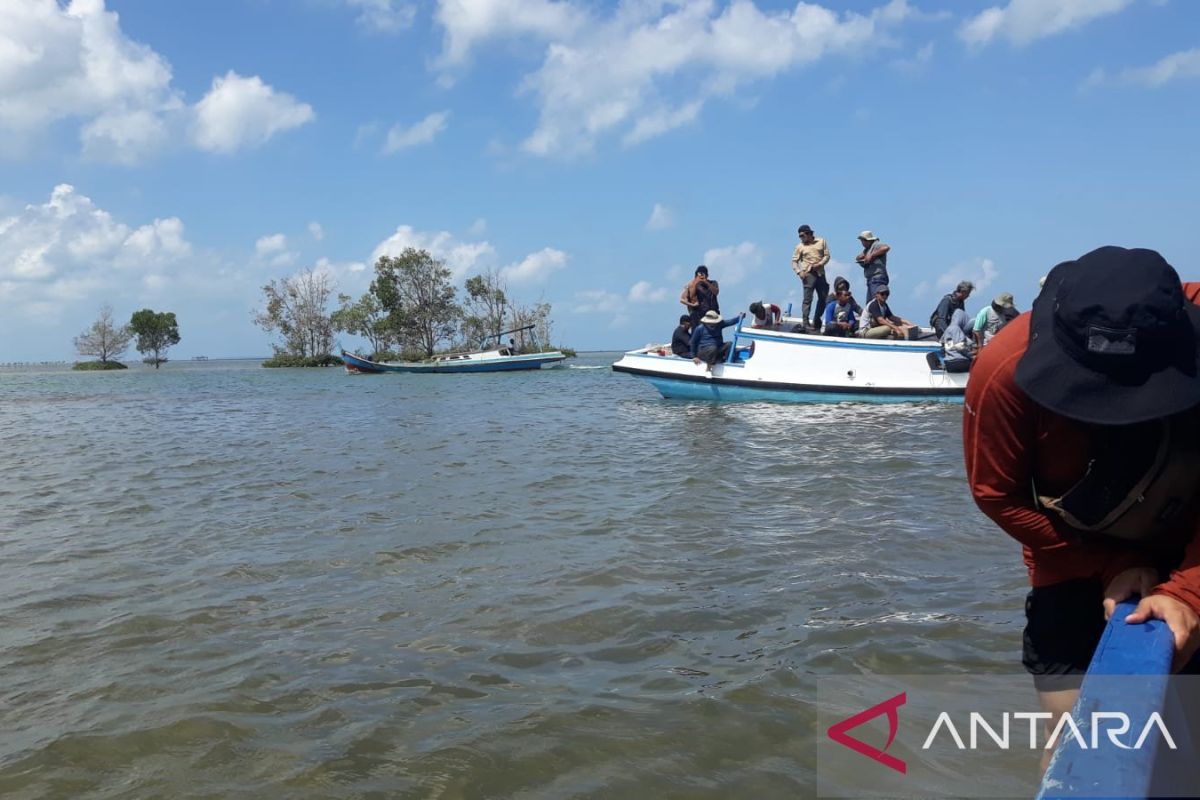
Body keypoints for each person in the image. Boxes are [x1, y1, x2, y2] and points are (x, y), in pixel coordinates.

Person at [963, 246, 1200, 771]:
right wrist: (1107, 565)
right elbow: (997, 494)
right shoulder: (1003, 368)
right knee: (1073, 736)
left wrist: (1189, 591)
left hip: (1188, 542)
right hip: (1067, 551)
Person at [791, 224, 831, 331]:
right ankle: (805, 322)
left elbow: (827, 256)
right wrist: (799, 272)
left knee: (823, 297)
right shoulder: (799, 247)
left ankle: (817, 319)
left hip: (820, 273)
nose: (801, 238)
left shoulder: (821, 241)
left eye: (802, 235)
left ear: (808, 234)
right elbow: (794, 261)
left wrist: (820, 264)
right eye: (799, 236)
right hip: (808, 274)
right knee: (807, 299)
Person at [855, 230, 891, 299]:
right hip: (871, 279)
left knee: (876, 302)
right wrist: (859, 258)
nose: (862, 243)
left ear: (867, 240)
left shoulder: (876, 244)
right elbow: (860, 256)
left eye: (863, 241)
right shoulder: (867, 249)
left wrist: (872, 255)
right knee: (870, 305)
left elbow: (886, 248)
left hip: (877, 278)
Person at [939, 307, 975, 372]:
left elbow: (949, 347)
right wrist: (971, 355)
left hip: (949, 362)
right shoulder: (956, 329)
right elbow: (960, 346)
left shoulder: (948, 329)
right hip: (960, 361)